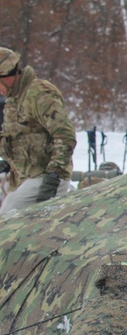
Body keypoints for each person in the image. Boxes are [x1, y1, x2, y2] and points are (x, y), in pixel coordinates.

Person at [0, 47, 75, 214]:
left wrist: (53, 177)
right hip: (26, 177)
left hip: (46, 178)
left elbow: (65, 135)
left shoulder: (39, 94)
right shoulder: (14, 99)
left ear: (6, 75)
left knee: (7, 221)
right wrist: (8, 161)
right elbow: (20, 136)